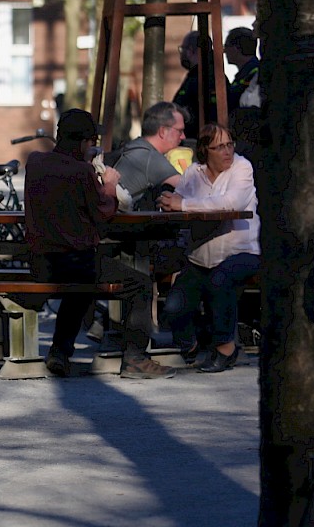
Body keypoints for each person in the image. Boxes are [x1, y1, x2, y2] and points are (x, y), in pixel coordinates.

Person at [26, 109, 173, 379]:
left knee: (81, 288)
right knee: (139, 284)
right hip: (75, 263)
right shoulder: (82, 172)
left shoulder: (35, 162)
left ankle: (59, 352)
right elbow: (103, 213)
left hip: (39, 264)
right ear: (84, 143)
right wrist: (109, 184)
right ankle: (136, 359)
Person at [159, 123, 259, 373]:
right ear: (205, 150)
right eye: (219, 147)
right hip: (201, 256)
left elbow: (230, 203)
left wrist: (184, 205)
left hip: (242, 252)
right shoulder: (194, 173)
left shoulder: (242, 168)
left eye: (229, 144)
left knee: (220, 280)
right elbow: (175, 201)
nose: (227, 151)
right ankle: (192, 346)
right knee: (173, 308)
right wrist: (166, 203)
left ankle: (226, 348)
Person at [108, 101, 186, 210]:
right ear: (163, 131)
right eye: (180, 131)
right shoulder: (151, 158)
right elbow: (192, 191)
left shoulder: (134, 146)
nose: (183, 137)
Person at [171, 30, 223, 135]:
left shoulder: (203, 76)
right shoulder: (203, 74)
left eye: (182, 49)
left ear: (190, 50)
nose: (181, 54)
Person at [224, 27, 261, 156]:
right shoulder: (244, 73)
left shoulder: (255, 73)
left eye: (226, 46)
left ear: (235, 48)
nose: (224, 51)